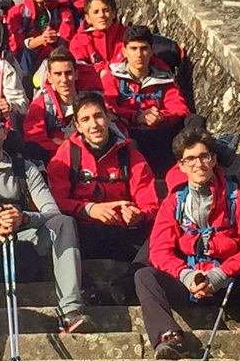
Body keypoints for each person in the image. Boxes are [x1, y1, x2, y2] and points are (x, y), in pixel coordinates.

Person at [0, 104, 94, 335]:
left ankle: (70, 310)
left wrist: (23, 218)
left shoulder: (26, 169)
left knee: (64, 223)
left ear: (4, 131)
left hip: (20, 247)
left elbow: (52, 211)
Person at [134, 125, 240, 360]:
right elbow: (159, 251)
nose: (199, 164)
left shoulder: (237, 197)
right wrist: (186, 275)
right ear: (181, 166)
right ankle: (168, 336)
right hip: (190, 281)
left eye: (204, 156)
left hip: (232, 281)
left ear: (214, 159)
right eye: (190, 159)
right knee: (144, 276)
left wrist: (220, 274)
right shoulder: (174, 202)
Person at [46, 92, 158, 264]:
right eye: (85, 119)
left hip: (123, 230)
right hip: (83, 230)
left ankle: (134, 276)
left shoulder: (130, 154)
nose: (94, 125)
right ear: (77, 125)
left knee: (158, 227)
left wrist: (139, 215)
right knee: (63, 225)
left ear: (108, 117)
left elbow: (149, 201)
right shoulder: (67, 154)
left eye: (98, 116)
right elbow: (54, 201)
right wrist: (89, 209)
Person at [101, 24, 191, 169]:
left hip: (160, 132)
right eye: (133, 49)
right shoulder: (112, 77)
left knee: (194, 121)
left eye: (144, 49)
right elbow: (108, 107)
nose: (139, 55)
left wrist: (162, 116)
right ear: (124, 51)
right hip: (129, 135)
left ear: (152, 51)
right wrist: (137, 117)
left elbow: (180, 108)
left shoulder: (164, 77)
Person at [5, 0, 76, 72]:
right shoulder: (16, 12)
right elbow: (14, 43)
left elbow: (67, 35)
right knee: (26, 55)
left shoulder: (62, 11)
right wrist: (37, 41)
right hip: (26, 59)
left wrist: (54, 38)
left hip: (53, 56)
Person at [24, 46, 80, 163]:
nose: (64, 79)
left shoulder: (88, 103)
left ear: (76, 74)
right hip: (54, 161)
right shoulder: (42, 103)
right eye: (58, 74)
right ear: (49, 77)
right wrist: (64, 150)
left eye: (68, 73)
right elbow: (34, 138)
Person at [69, 0, 126, 77]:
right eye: (96, 12)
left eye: (106, 10)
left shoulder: (128, 36)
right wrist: (99, 72)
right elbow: (77, 69)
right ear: (88, 18)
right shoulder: (78, 41)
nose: (101, 15)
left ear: (114, 13)